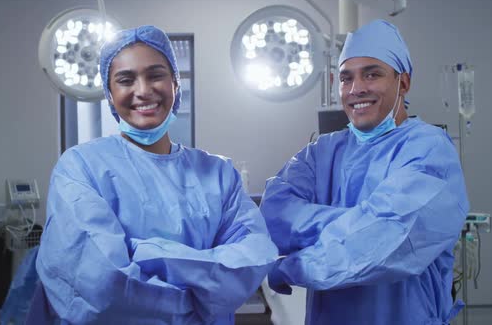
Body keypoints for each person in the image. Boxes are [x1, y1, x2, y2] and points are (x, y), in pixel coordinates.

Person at [35, 25, 278, 324]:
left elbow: (249, 261)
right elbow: (100, 284)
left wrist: (140, 251)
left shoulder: (218, 174)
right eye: (126, 80)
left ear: (176, 84)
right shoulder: (80, 167)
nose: (143, 90)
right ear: (110, 94)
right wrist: (199, 287)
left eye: (155, 75)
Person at [260, 19, 469, 325]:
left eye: (372, 74)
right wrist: (365, 222)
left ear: (404, 82)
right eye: (346, 79)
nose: (356, 89)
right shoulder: (322, 152)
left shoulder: (430, 150)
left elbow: (384, 246)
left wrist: (290, 267)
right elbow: (274, 214)